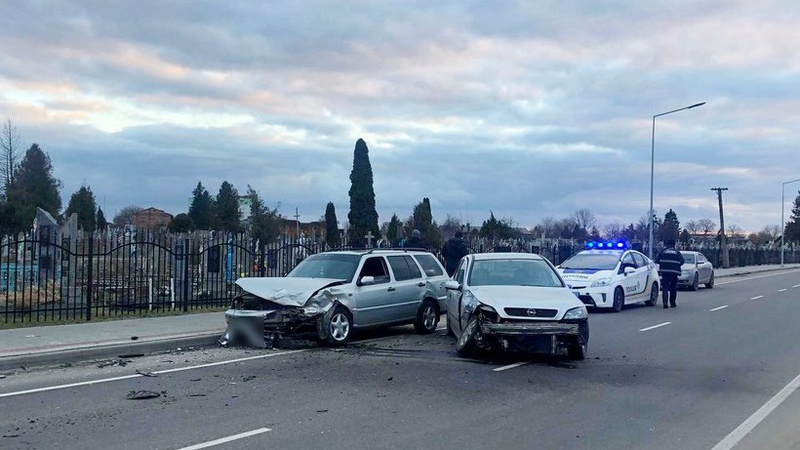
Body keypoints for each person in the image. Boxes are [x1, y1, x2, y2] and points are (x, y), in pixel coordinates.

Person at [655, 239, 685, 308]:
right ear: (674, 245)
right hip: (674, 272)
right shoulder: (677, 252)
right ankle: (672, 303)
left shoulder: (663, 252)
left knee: (665, 288)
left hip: (665, 272)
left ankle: (665, 304)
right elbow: (682, 261)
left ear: (667, 244)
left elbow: (657, 260)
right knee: (673, 288)